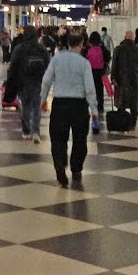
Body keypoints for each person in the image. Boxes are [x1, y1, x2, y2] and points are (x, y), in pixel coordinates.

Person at [40, 31, 99, 187]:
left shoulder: (56, 60)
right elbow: (90, 88)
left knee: (58, 138)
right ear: (80, 45)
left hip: (60, 104)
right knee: (80, 139)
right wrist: (94, 109)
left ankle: (60, 164)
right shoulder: (84, 63)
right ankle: (76, 169)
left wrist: (43, 99)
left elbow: (46, 81)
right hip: (79, 105)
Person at [6, 25, 50, 142]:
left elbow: (13, 66)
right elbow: (47, 64)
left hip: (23, 82)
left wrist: (11, 79)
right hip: (38, 82)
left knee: (25, 107)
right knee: (36, 107)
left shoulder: (19, 48)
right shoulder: (41, 48)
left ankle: (26, 131)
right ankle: (36, 131)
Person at [110, 30, 138, 125]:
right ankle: (133, 123)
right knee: (134, 102)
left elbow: (114, 65)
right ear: (133, 38)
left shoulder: (118, 49)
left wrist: (113, 78)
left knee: (121, 102)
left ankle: (122, 123)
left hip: (121, 80)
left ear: (124, 37)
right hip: (135, 79)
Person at [86, 31, 107, 113]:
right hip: (100, 71)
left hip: (90, 71)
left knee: (90, 89)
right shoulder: (102, 47)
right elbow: (107, 56)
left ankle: (90, 105)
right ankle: (100, 106)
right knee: (99, 89)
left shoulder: (88, 47)